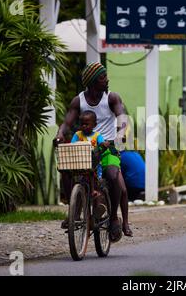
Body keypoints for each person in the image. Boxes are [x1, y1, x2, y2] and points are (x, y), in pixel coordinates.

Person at [55, 61, 132, 241]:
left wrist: (121, 133)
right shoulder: (78, 100)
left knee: (113, 176)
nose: (107, 80)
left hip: (108, 148)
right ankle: (73, 211)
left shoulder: (112, 98)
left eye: (105, 76)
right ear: (92, 81)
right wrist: (59, 135)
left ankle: (114, 218)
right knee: (65, 170)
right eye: (102, 77)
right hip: (84, 149)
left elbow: (122, 117)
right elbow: (67, 124)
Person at [70, 111, 109, 219]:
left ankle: (98, 210)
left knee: (98, 186)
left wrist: (103, 144)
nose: (84, 126)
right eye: (82, 124)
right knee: (78, 186)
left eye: (87, 124)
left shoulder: (97, 136)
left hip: (95, 166)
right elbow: (72, 145)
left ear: (94, 125)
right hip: (81, 165)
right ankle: (75, 215)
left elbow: (101, 143)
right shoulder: (78, 135)